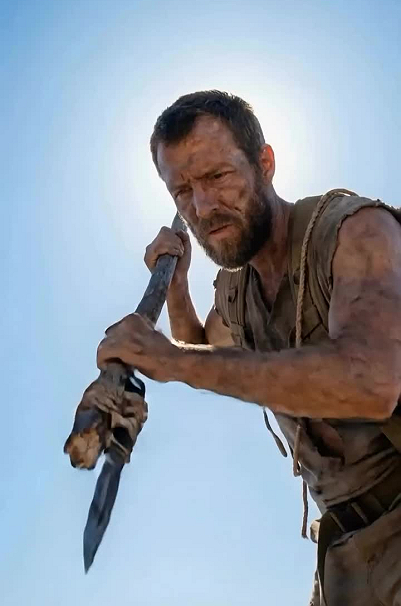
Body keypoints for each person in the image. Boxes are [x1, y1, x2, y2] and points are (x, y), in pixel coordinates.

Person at [97, 91, 401, 606]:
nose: (202, 208)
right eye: (182, 191)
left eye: (217, 176)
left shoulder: (355, 231)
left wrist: (169, 359)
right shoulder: (236, 293)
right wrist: (178, 290)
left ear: (266, 163)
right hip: (344, 551)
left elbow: (371, 382)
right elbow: (202, 348)